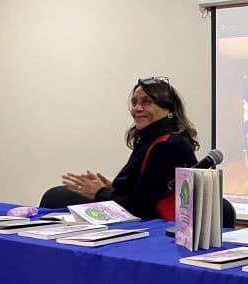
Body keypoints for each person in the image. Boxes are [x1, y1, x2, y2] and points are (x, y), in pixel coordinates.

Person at [39, 77, 198, 219]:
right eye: (134, 102)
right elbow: (146, 191)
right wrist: (113, 188)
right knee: (56, 197)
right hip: (138, 215)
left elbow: (140, 207)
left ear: (169, 109)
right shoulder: (150, 139)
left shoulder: (169, 145)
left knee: (55, 197)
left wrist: (100, 193)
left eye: (146, 102)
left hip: (151, 225)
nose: (137, 109)